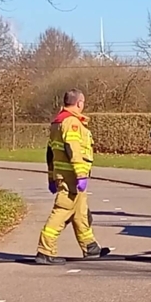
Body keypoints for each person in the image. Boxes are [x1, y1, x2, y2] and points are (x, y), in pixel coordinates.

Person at [36, 89, 107, 265]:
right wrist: (81, 174)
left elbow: (50, 153)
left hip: (65, 175)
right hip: (72, 177)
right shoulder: (71, 122)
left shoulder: (58, 122)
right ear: (79, 103)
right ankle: (45, 250)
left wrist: (51, 177)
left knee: (80, 213)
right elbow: (72, 148)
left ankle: (90, 247)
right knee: (62, 211)